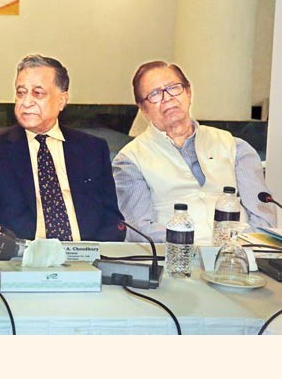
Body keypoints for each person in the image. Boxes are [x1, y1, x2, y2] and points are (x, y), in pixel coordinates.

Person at [113, 60, 277, 244]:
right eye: (154, 94)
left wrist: (239, 250)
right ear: (142, 108)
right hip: (174, 261)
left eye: (174, 88)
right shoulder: (129, 159)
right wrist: (191, 249)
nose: (167, 98)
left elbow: (263, 217)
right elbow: (139, 228)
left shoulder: (235, 147)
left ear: (189, 92)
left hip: (238, 257)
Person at [0, 54, 125, 241]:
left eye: (38, 93)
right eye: (21, 92)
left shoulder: (92, 149)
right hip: (22, 259)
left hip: (87, 258)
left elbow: (112, 219)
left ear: (62, 100)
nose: (26, 102)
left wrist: (95, 256)